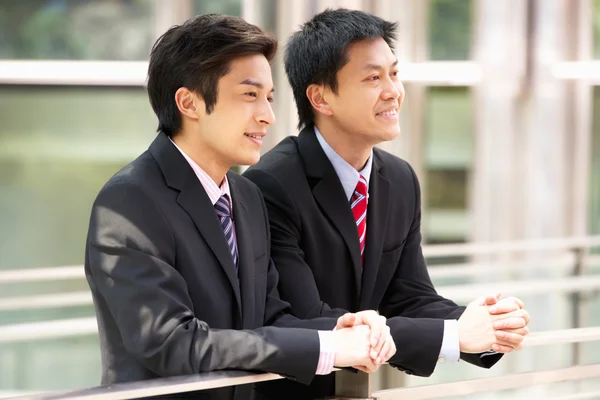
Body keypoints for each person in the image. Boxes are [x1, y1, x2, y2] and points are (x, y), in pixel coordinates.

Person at [84, 14, 396, 400]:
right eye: (250, 95)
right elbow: (172, 344)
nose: (267, 115)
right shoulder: (128, 204)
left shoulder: (245, 196)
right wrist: (327, 349)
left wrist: (339, 329)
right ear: (189, 102)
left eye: (268, 97)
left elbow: (269, 317)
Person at [244, 8, 531, 399]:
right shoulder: (271, 185)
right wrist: (454, 335)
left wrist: (484, 323)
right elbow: (308, 319)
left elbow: (409, 296)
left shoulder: (398, 179)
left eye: (394, 74)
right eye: (372, 78)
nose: (393, 91)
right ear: (321, 97)